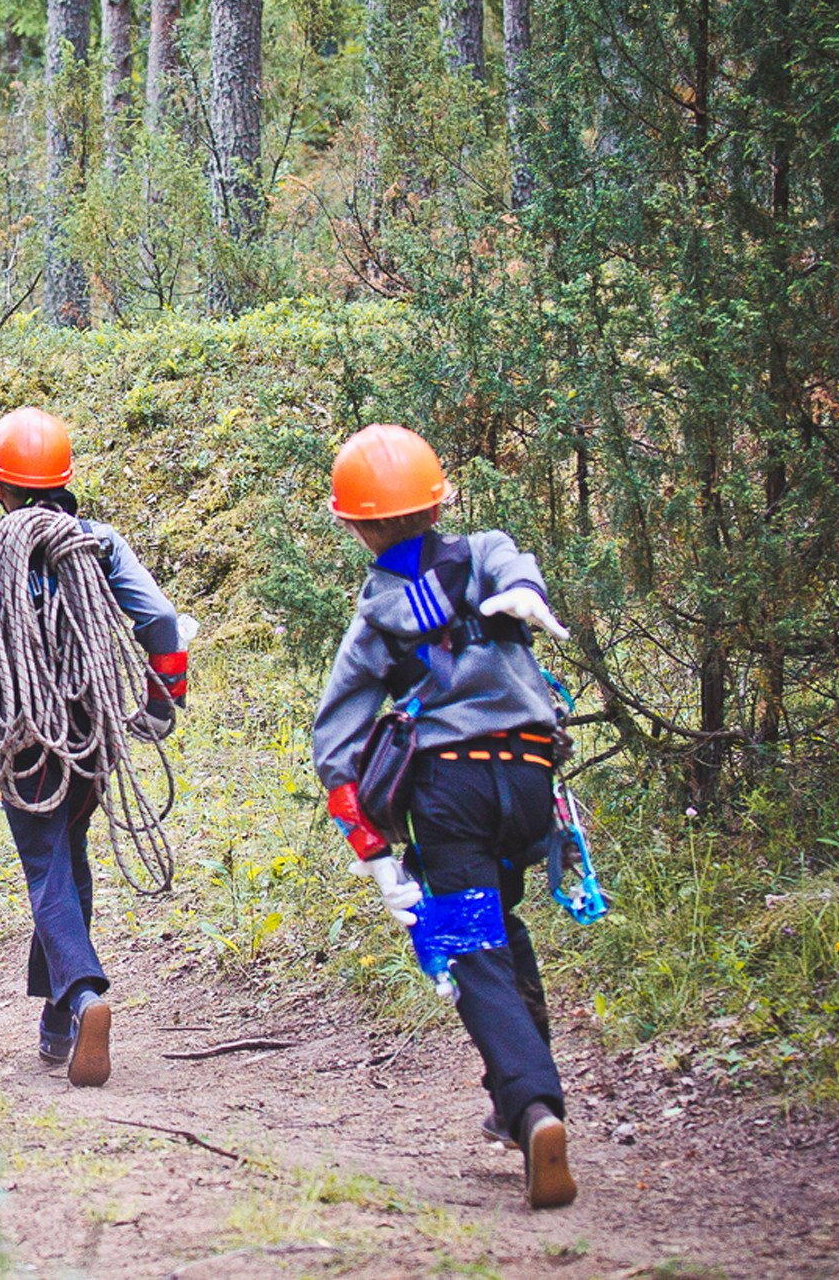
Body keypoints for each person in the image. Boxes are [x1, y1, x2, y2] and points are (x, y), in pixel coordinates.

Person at [311, 423, 579, 1210]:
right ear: (438, 504)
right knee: (503, 923)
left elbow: (337, 739)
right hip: (530, 779)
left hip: (448, 793)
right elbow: (517, 576)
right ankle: (513, 1097)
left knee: (468, 948)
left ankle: (534, 1108)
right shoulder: (487, 550)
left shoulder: (376, 614)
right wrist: (524, 602)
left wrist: (370, 845)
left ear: (355, 523)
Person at [0, 408, 187, 1089]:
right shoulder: (97, 542)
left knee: (46, 867)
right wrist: (164, 698)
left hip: (24, 732)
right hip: (90, 730)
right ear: (65, 479)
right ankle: (56, 1022)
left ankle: (84, 995)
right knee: (69, 857)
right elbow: (160, 619)